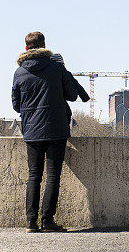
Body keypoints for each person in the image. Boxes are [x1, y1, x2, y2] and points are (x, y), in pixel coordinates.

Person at [11, 31, 85, 232]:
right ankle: (47, 221)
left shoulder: (19, 73)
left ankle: (30, 222)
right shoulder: (56, 68)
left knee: (34, 175)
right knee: (53, 176)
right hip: (56, 129)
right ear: (44, 46)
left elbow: (16, 106)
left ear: (26, 48)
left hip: (32, 131)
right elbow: (72, 95)